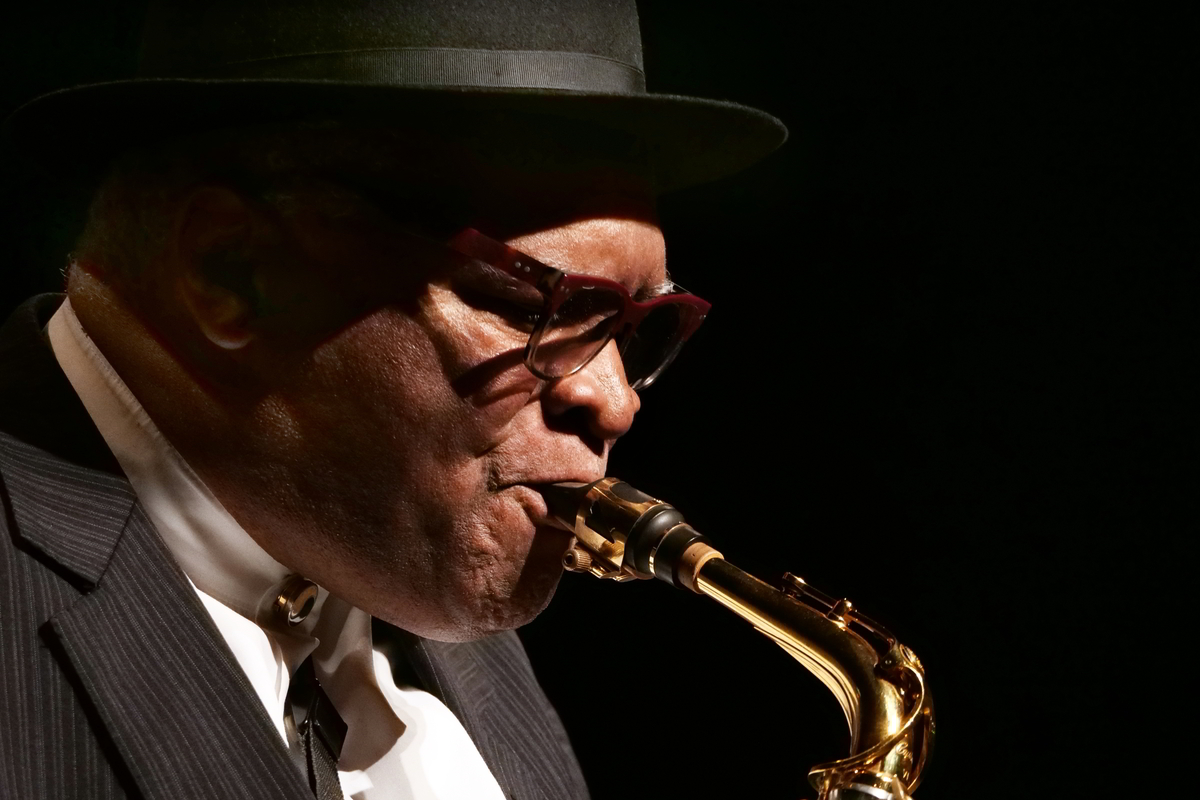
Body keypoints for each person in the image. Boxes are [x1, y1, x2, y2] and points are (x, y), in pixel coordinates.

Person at [0, 1, 785, 798]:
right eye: (531, 309)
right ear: (229, 269)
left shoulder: (402, 560)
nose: (616, 404)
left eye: (637, 329)